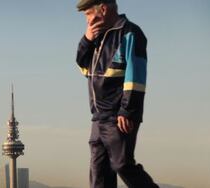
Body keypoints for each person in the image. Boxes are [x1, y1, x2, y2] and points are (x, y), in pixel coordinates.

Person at [75, 0, 160, 188]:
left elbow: (136, 75)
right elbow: (83, 68)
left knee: (122, 164)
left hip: (118, 115)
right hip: (98, 117)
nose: (88, 21)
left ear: (103, 9)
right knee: (99, 173)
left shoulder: (130, 33)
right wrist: (86, 40)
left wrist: (127, 111)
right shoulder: (97, 36)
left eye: (88, 14)